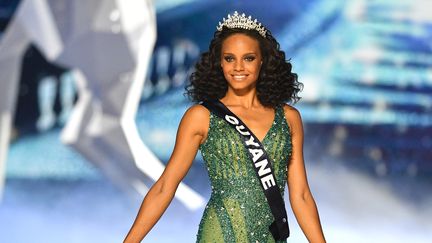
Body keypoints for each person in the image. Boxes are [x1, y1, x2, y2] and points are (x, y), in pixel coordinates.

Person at [124, 11, 326, 243]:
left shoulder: (289, 118)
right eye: (230, 58)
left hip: (271, 236)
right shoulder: (201, 116)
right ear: (219, 62)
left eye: (248, 58)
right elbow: (165, 186)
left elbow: (300, 195)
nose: (238, 67)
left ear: (262, 60)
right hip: (220, 232)